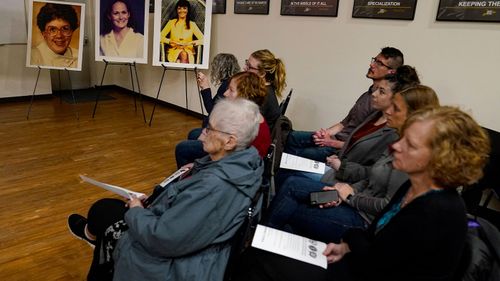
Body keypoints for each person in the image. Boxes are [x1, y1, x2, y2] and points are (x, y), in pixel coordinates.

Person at [234, 106, 490, 281]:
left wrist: (350, 243)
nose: (396, 146)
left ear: (441, 159)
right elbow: (377, 238)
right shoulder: (414, 186)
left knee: (258, 261)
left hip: (363, 273)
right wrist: (347, 245)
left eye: (409, 144)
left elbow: (376, 263)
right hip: (361, 262)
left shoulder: (437, 212)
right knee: (266, 248)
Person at [68, 98, 264, 281]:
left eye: (209, 128)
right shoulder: (245, 164)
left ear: (230, 142)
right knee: (106, 210)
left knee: (105, 214)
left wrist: (137, 210)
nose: (202, 133)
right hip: (187, 243)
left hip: (175, 265)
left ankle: (97, 245)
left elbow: (162, 238)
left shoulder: (214, 188)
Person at [265, 84, 439, 243]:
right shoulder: (398, 138)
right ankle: (264, 241)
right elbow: (370, 177)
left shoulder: (410, 156)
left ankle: (262, 242)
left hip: (363, 219)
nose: (389, 111)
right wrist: (342, 193)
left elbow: (386, 205)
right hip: (352, 196)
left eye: (397, 108)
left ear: (414, 115)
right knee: (291, 184)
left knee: (292, 204)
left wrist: (350, 197)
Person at [285, 47, 404, 162]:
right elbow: (344, 123)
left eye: (379, 63)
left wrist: (330, 142)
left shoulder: (380, 104)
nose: (372, 65)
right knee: (288, 137)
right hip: (333, 139)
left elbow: (361, 145)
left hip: (339, 149)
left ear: (391, 72)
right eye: (374, 60)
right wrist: (326, 133)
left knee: (292, 154)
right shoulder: (367, 94)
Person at [175, 72, 271, 168]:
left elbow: (226, 154)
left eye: (231, 90)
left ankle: (191, 174)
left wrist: (199, 165)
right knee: (194, 133)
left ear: (245, 96)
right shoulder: (248, 113)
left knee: (182, 148)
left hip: (236, 164)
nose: (225, 93)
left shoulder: (246, 122)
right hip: (234, 154)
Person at [244, 49, 287, 130]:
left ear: (262, 73)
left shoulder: (262, 96)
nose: (244, 68)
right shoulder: (265, 89)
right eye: (246, 63)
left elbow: (248, 129)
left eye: (249, 66)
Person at [31, 3, 79, 68]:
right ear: (43, 33)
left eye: (65, 29)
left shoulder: (78, 56)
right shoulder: (33, 58)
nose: (59, 36)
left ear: (72, 31)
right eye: (52, 29)